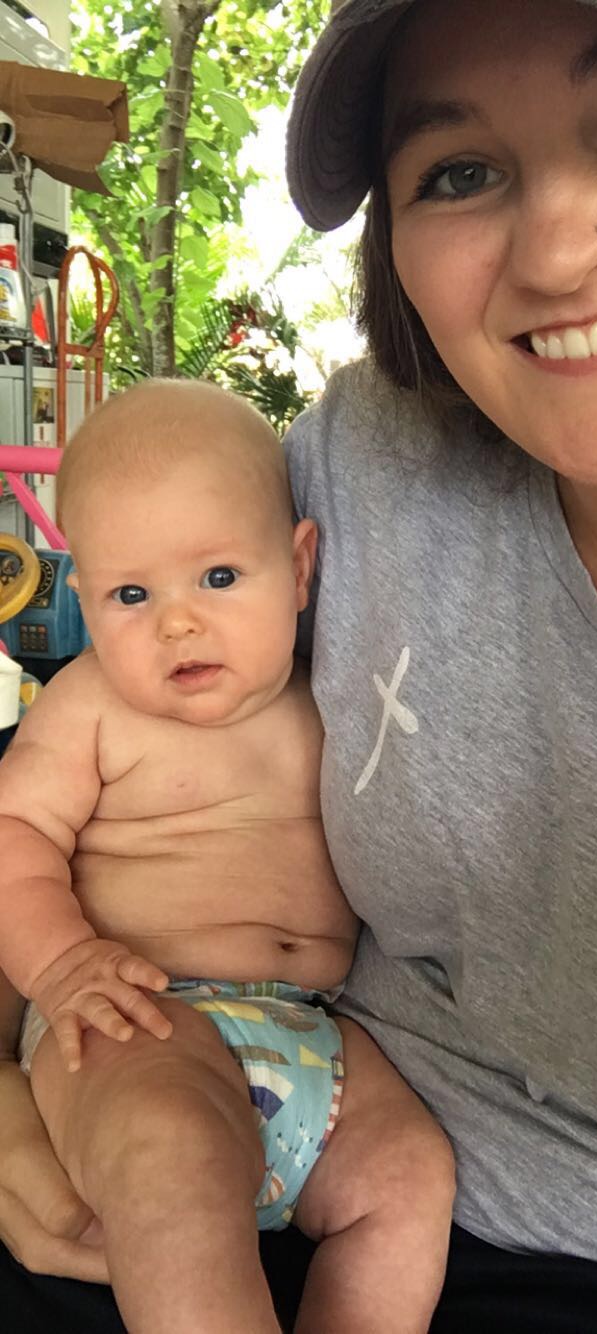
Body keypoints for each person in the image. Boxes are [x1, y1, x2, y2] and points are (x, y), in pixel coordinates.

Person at [4, 0, 597, 1328]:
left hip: (540, 1209)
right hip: (180, 1060)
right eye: (457, 169)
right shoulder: (372, 458)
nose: (561, 248)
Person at [0, 377, 454, 1334]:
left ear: (299, 567)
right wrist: (60, 965)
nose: (177, 622)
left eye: (217, 577)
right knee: (170, 1159)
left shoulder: (334, 700)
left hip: (314, 1034)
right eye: (131, 594)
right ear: (83, 600)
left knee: (410, 1173)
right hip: (133, 1018)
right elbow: (16, 834)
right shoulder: (90, 706)